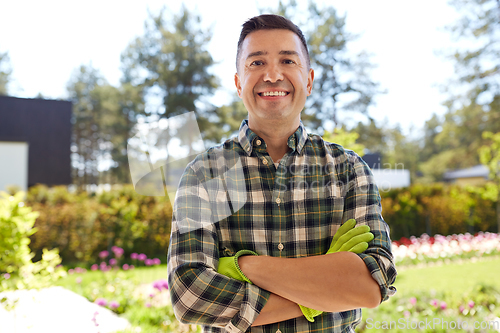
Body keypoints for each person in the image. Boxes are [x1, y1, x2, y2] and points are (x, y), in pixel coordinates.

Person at [167, 14, 397, 333]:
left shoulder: (349, 169)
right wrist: (322, 292)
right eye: (256, 63)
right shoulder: (204, 174)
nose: (272, 75)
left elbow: (373, 283)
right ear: (237, 83)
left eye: (287, 60)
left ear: (309, 80)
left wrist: (243, 266)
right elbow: (189, 296)